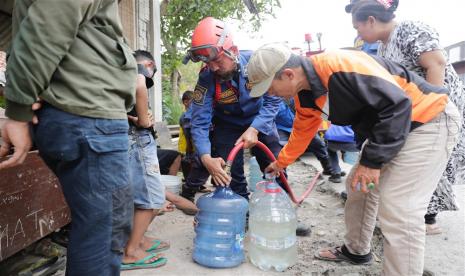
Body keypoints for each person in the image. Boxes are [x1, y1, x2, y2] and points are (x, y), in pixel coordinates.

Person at [248, 43, 460, 276]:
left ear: (289, 74)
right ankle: (356, 251)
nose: (270, 94)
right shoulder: (305, 95)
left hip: (427, 120)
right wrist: (281, 162)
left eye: (270, 87)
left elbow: (397, 104)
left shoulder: (341, 67)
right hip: (391, 126)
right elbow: (302, 131)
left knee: (400, 210)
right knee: (358, 186)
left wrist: (372, 163)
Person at [0, 1, 137, 275]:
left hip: (72, 115)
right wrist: (19, 103)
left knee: (97, 227)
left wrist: (32, 82)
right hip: (89, 114)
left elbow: (14, 23)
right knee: (104, 232)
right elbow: (55, 11)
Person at [350, 0, 465, 234]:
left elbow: (437, 64)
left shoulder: (410, 29)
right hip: (415, 109)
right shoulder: (383, 46)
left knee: (428, 163)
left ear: (371, 20)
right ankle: (415, 217)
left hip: (438, 107)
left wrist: (432, 112)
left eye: (358, 27)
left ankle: (424, 219)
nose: (358, 34)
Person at [182, 17, 283, 199]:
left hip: (260, 120)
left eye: (218, 61)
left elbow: (273, 100)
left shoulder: (256, 63)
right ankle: (241, 213)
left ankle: (280, 208)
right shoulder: (206, 78)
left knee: (275, 164)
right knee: (231, 174)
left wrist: (255, 128)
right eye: (208, 63)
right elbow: (199, 122)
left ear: (233, 51)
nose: (213, 68)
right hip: (227, 125)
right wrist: (205, 156)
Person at [122, 50, 168, 270]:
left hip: (128, 137)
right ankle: (131, 251)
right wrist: (142, 120)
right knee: (151, 198)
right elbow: (140, 86)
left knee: (143, 195)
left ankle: (139, 239)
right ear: (149, 64)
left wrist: (133, 117)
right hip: (138, 139)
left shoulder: (116, 72)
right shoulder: (138, 70)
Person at [275, 98, 340, 181]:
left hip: (301, 126)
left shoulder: (297, 96)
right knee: (279, 149)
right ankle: (280, 179)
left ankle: (329, 169)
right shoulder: (274, 98)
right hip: (281, 128)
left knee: (319, 144)